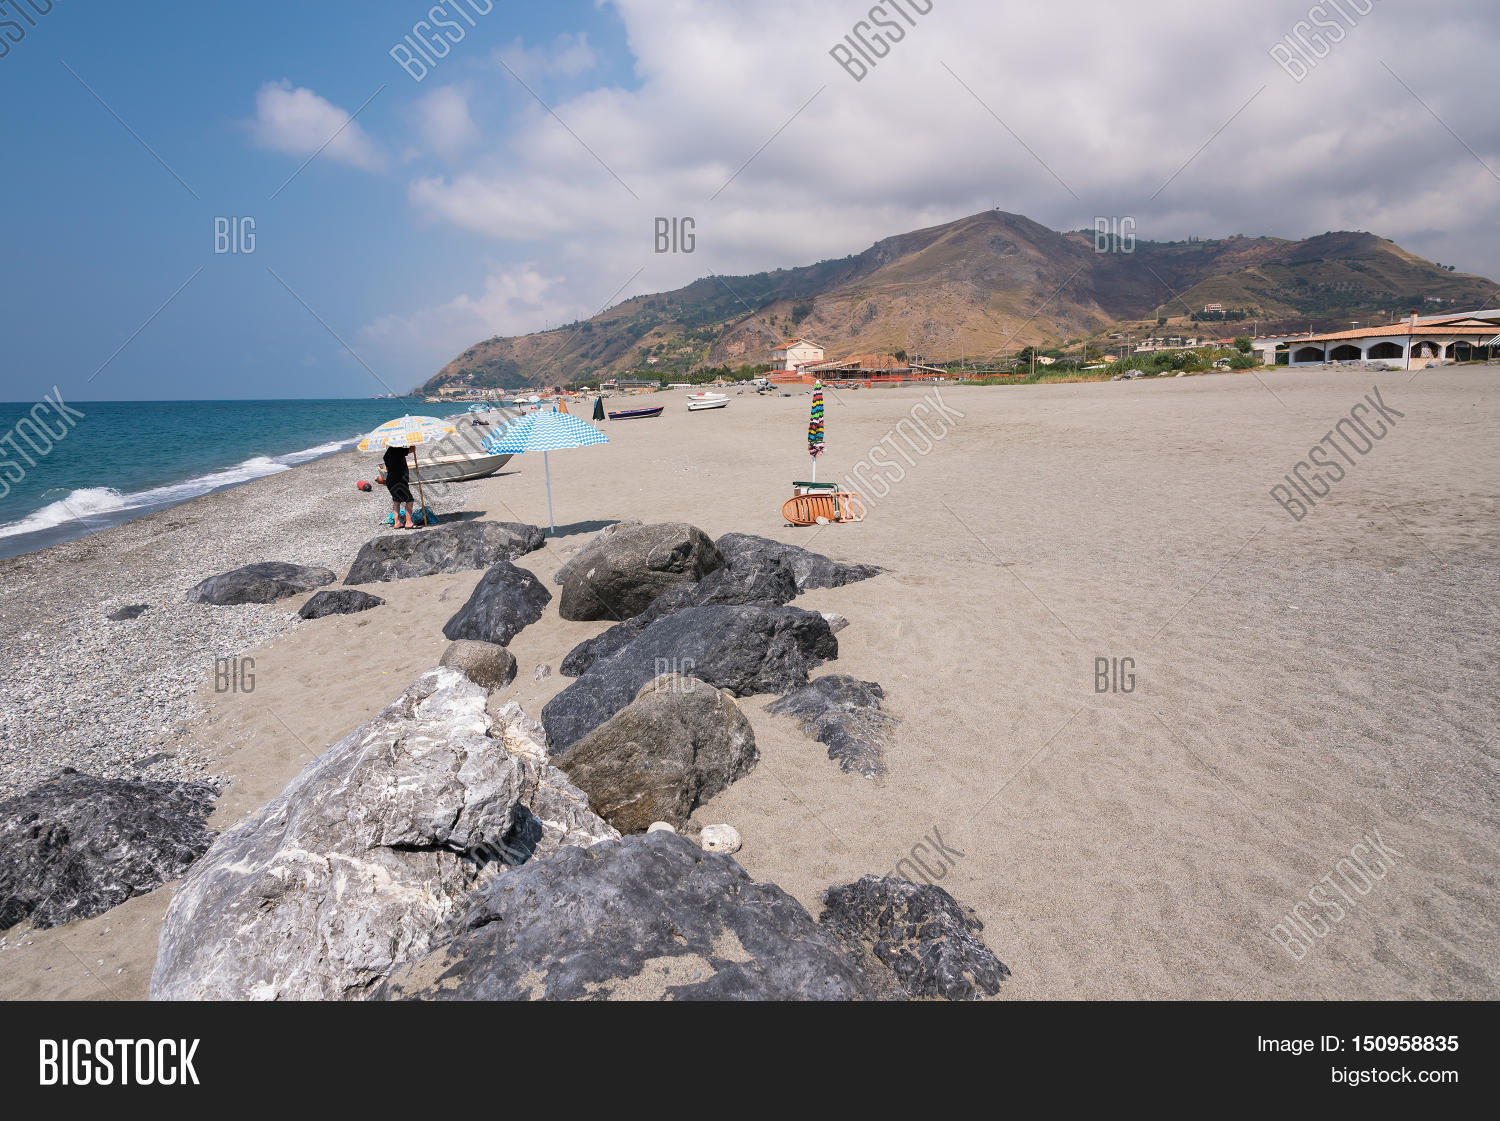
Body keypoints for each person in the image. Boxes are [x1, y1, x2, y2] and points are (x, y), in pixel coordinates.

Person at [382, 443, 416, 528]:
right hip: (399, 481)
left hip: (390, 480)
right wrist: (413, 442)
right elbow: (412, 449)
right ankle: (408, 522)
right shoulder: (397, 450)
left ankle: (397, 523)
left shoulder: (387, 454)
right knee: (409, 500)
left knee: (396, 500)